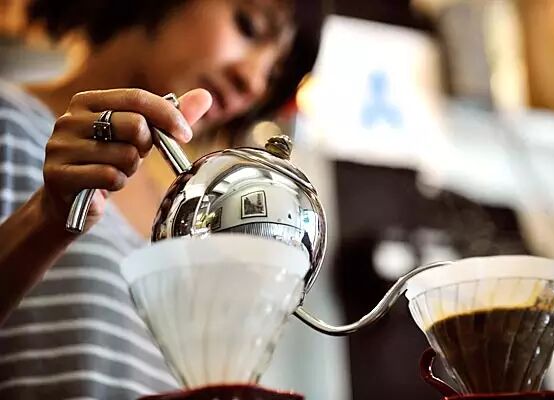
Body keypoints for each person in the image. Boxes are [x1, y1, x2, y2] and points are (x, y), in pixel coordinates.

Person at [0, 0, 322, 397]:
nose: (253, 82)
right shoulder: (7, 121)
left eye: (273, 74)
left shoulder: (191, 213)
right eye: (249, 26)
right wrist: (46, 218)